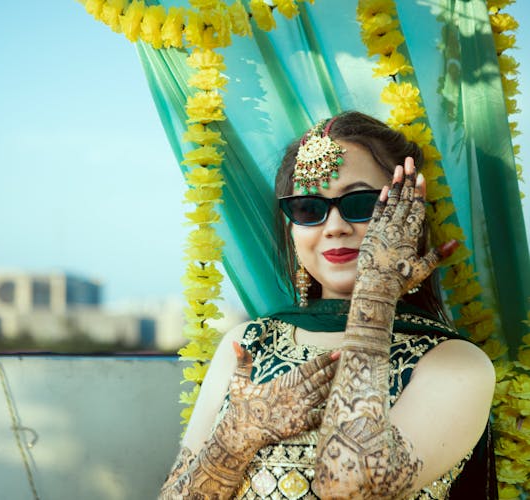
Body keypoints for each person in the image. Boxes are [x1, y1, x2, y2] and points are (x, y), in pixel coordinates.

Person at [158, 111, 496, 499]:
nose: (333, 226)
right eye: (308, 208)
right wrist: (237, 436)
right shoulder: (249, 344)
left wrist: (374, 297)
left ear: (410, 217)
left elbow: (352, 488)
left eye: (361, 202)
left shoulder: (454, 363)